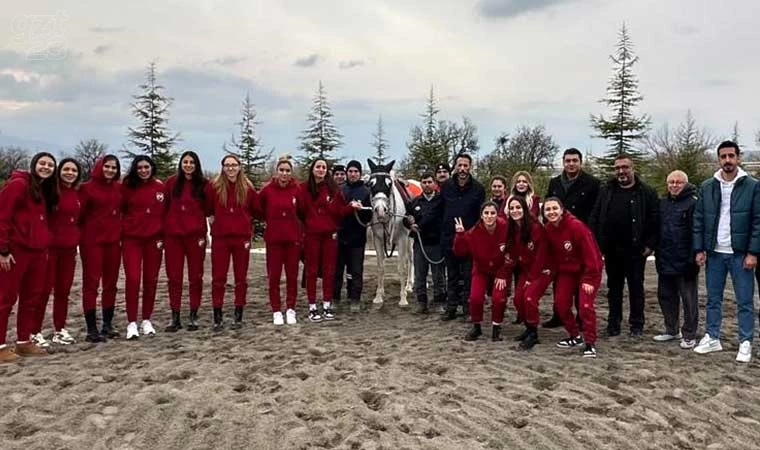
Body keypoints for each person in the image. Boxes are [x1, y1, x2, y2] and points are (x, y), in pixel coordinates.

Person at [693, 141, 760, 363]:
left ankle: (745, 341)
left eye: (731, 156)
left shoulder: (752, 186)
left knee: (744, 301)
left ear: (738, 158)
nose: (727, 160)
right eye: (723, 156)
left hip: (740, 254)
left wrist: (753, 252)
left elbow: (758, 221)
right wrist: (700, 248)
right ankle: (712, 336)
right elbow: (699, 219)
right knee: (713, 299)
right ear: (718, 159)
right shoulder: (707, 186)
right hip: (715, 253)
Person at [589, 153, 659, 338]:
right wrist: (596, 243)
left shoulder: (647, 192)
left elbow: (654, 220)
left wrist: (650, 244)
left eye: (625, 167)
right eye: (617, 168)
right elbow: (595, 216)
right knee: (614, 289)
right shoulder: (606, 190)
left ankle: (637, 324)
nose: (621, 171)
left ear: (632, 168)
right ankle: (614, 324)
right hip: (611, 249)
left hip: (636, 250)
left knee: (636, 288)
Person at [0, 152, 58, 362]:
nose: (46, 167)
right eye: (42, 163)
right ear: (34, 165)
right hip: (16, 251)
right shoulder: (17, 185)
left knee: (31, 297)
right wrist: (3, 250)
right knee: (5, 298)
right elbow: (2, 216)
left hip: (38, 251)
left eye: (50, 165)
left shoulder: (44, 190)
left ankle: (24, 341)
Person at [543, 148, 601, 328]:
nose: (571, 164)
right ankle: (559, 315)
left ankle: (581, 318)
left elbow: (596, 211)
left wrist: (588, 232)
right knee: (560, 279)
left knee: (580, 279)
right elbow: (548, 206)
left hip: (581, 237)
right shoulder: (554, 183)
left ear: (580, 162)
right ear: (563, 162)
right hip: (558, 238)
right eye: (567, 161)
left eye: (574, 160)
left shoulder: (593, 183)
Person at [299, 158, 362, 322]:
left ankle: (327, 304)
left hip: (330, 236)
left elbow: (339, 211)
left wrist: (351, 207)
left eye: (323, 167)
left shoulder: (333, 190)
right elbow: (299, 211)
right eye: (318, 167)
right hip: (312, 235)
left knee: (329, 271)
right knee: (311, 271)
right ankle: (312, 306)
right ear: (312, 169)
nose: (320, 170)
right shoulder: (303, 189)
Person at [206, 154, 260, 331]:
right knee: (218, 278)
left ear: (239, 167)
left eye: (234, 165)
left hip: (241, 237)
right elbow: (207, 208)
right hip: (221, 238)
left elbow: (257, 209)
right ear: (222, 167)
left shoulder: (247, 188)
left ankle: (238, 313)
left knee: (241, 277)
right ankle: (217, 315)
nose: (230, 168)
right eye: (227, 165)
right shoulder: (214, 187)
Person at [543, 197, 603, 358]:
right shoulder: (548, 229)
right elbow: (550, 254)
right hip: (567, 271)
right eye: (547, 210)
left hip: (588, 270)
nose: (551, 212)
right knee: (561, 305)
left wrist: (590, 279)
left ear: (562, 210)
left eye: (555, 208)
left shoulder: (576, 227)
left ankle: (590, 342)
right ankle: (574, 335)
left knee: (585, 306)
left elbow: (592, 255)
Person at [37, 158, 81, 346]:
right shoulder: (49, 191)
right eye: (66, 169)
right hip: (50, 248)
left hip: (69, 249)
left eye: (73, 170)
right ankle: (34, 331)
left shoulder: (77, 193)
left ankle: (59, 329)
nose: (70, 173)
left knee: (63, 291)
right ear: (59, 171)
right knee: (43, 290)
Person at [121, 156, 166, 340]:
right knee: (133, 278)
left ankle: (146, 319)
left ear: (151, 168)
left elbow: (165, 211)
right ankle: (131, 322)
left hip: (153, 240)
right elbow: (120, 210)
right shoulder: (127, 187)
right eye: (139, 167)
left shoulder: (160, 187)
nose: (143, 170)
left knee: (151, 279)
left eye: (146, 167)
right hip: (132, 239)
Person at [163, 151, 208, 332]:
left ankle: (193, 314)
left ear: (196, 165)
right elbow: (164, 207)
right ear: (181, 164)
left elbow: (210, 208)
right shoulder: (171, 183)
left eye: (192, 162)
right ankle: (175, 315)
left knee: (195, 276)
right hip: (174, 236)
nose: (188, 165)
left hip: (195, 236)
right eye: (185, 162)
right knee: (174, 277)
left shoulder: (204, 185)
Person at [79, 155, 122, 342]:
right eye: (107, 166)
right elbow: (78, 215)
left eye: (114, 167)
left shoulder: (119, 189)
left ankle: (107, 323)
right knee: (91, 284)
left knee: (111, 284)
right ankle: (91, 328)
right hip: (92, 242)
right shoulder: (86, 189)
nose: (110, 170)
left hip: (113, 241)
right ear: (100, 167)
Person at [654, 170, 699, 349]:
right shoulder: (663, 203)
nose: (674, 185)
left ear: (685, 184)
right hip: (665, 259)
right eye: (671, 182)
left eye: (678, 182)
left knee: (688, 300)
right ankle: (671, 329)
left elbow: (696, 232)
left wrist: (693, 259)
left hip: (685, 261)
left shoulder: (693, 203)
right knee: (665, 297)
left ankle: (689, 334)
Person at [503, 195, 553, 350]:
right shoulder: (512, 228)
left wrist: (531, 278)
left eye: (518, 207)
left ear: (524, 209)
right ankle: (528, 327)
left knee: (529, 297)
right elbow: (513, 251)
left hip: (542, 269)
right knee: (518, 299)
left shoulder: (535, 228)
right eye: (512, 208)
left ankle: (534, 334)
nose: (515, 211)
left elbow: (541, 255)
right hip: (526, 269)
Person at [452, 202, 508, 341]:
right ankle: (476, 326)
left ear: (497, 214)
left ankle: (496, 327)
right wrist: (459, 235)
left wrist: (502, 274)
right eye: (486, 213)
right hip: (481, 269)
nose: (489, 216)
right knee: (475, 298)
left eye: (492, 213)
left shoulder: (506, 228)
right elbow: (460, 252)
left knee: (499, 298)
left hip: (500, 269)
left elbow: (511, 252)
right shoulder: (474, 232)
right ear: (481, 215)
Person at [440, 154, 486, 321]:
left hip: (469, 241)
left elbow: (481, 215)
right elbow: (438, 210)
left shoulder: (478, 189)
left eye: (466, 166)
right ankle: (451, 307)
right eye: (460, 165)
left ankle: (468, 309)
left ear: (470, 167)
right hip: (449, 239)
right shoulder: (445, 186)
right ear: (455, 166)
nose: (462, 169)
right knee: (451, 276)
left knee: (468, 277)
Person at [259, 156, 303, 325]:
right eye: (281, 170)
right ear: (276, 172)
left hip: (293, 239)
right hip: (274, 240)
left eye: (287, 171)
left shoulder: (297, 190)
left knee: (292, 276)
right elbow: (258, 206)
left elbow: (303, 210)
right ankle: (276, 310)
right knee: (274, 277)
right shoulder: (268, 190)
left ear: (291, 173)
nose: (284, 173)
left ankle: (291, 308)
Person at [403, 172, 445, 314]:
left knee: (438, 275)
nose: (427, 185)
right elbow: (406, 218)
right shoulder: (415, 202)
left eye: (429, 182)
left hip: (436, 243)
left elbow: (437, 219)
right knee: (420, 275)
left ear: (434, 183)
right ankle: (422, 303)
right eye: (424, 182)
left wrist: (419, 224)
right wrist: (409, 224)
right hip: (420, 243)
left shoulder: (441, 201)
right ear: (421, 184)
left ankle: (439, 302)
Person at [334, 160, 372, 311]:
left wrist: (361, 210)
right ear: (347, 173)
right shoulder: (340, 190)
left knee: (355, 271)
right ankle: (335, 298)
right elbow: (335, 212)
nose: (353, 174)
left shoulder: (366, 192)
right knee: (337, 270)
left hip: (357, 238)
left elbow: (370, 215)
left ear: (360, 173)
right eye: (350, 171)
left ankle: (354, 298)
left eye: (356, 171)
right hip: (340, 236)